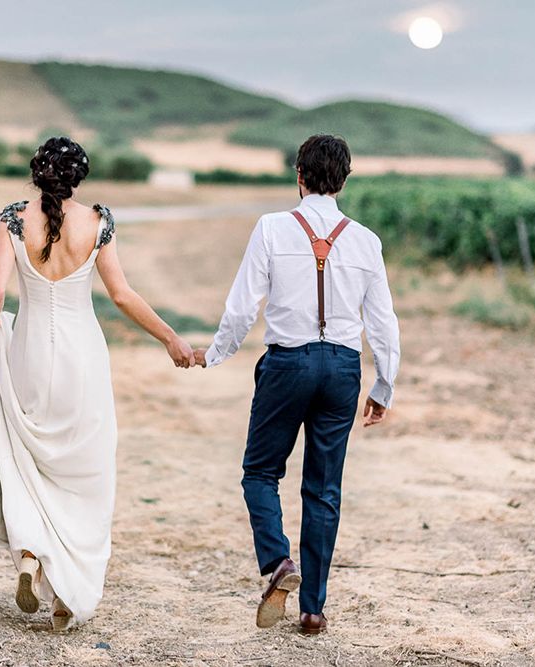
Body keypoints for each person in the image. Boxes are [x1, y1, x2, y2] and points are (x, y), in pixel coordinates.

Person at [0, 136, 195, 631]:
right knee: (86, 476)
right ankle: (67, 597)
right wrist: (170, 338)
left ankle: (30, 557)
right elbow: (123, 295)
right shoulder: (99, 222)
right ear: (79, 178)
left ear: (36, 173)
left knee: (29, 464)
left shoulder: (12, 219)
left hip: (28, 354)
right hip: (82, 357)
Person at [193, 134, 400, 634]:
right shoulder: (367, 240)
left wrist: (216, 354)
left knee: (260, 472)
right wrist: (384, 386)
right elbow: (384, 323)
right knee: (324, 490)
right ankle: (313, 610)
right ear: (345, 180)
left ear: (299, 174)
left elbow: (243, 307)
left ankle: (278, 562)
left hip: (288, 364)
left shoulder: (271, 229)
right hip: (344, 370)